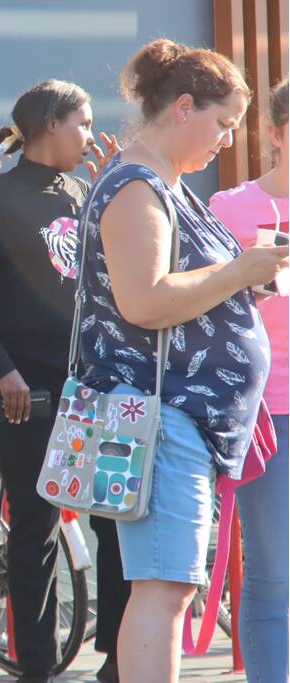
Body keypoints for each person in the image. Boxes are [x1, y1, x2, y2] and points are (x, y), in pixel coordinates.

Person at [76, 39, 287, 683]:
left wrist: (238, 282)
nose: (228, 139)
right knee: (166, 588)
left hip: (170, 417)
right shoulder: (138, 186)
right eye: (223, 123)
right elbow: (145, 301)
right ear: (185, 107)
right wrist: (243, 270)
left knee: (171, 586)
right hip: (161, 416)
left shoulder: (158, 183)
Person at [0, 80, 127, 683]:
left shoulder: (85, 192)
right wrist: (3, 371)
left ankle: (120, 657)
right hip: (26, 393)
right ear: (51, 124)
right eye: (83, 123)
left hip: (94, 387)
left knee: (116, 519)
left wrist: (114, 190)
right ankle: (36, 667)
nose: (89, 135)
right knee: (35, 529)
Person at [208, 78, 289, 683]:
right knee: (274, 573)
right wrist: (248, 282)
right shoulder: (230, 209)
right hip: (267, 412)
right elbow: (205, 309)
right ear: (275, 134)